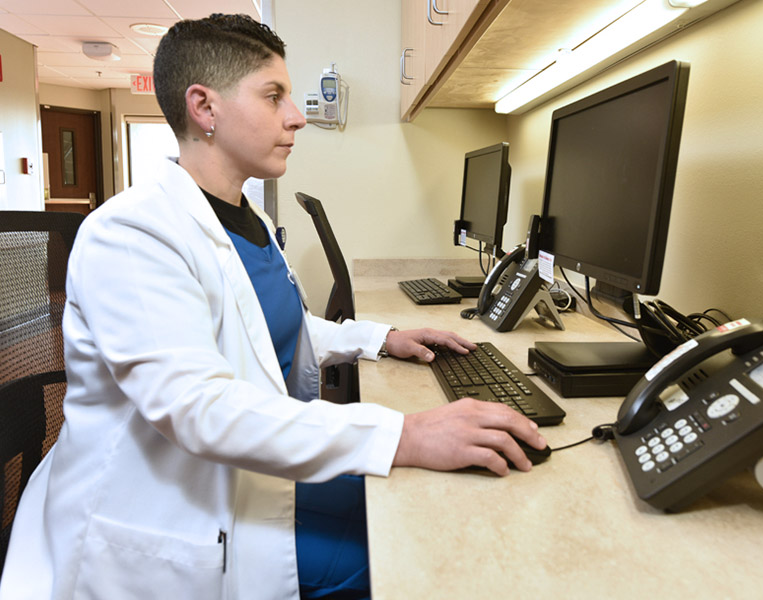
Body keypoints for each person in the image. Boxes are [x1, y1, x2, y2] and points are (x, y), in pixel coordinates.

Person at [0, 14, 547, 600]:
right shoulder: (131, 234)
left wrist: (379, 339)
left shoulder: (247, 217)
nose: (297, 115)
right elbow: (198, 408)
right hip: (172, 519)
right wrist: (404, 433)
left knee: (420, 506)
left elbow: (261, 329)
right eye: (274, 95)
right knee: (414, 560)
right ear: (204, 108)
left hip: (245, 474)